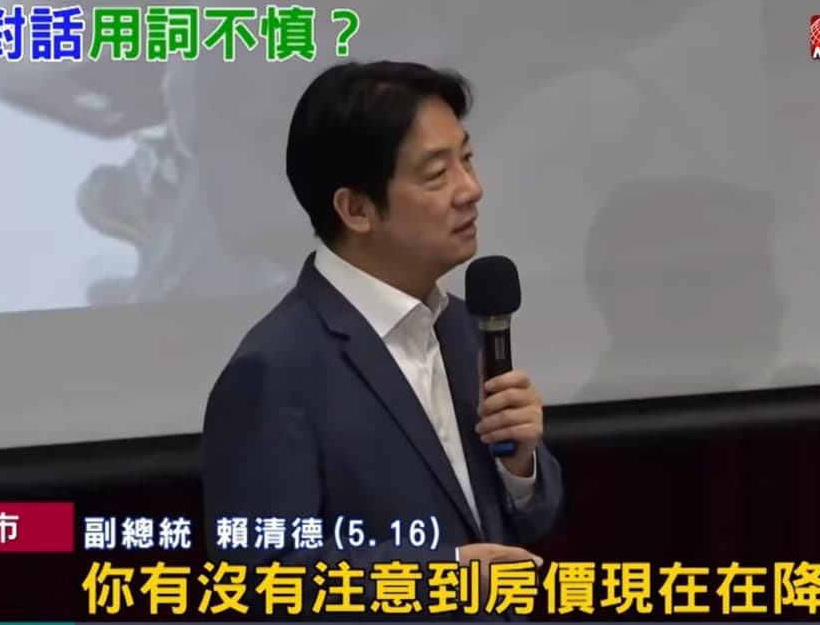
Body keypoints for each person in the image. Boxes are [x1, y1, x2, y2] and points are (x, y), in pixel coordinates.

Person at [201, 61, 564, 618]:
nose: (471, 189)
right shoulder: (275, 370)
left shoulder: (463, 325)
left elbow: (529, 519)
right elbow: (259, 576)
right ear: (356, 209)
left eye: (467, 159)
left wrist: (518, 467)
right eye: (437, 174)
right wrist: (443, 578)